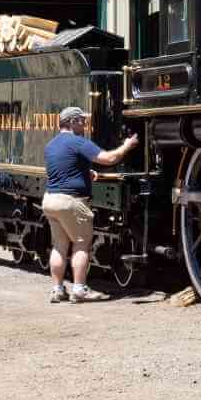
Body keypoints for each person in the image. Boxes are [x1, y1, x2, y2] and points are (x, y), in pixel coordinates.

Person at [42, 106, 138, 303]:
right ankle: (79, 289)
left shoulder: (50, 145)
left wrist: (85, 173)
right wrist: (128, 145)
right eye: (81, 120)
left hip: (50, 199)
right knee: (81, 245)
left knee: (59, 246)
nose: (84, 124)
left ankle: (57, 289)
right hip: (71, 202)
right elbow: (109, 158)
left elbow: (62, 168)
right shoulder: (78, 142)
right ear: (72, 121)